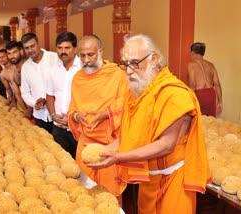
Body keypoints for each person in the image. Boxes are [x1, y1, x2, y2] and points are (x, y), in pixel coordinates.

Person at [88, 34, 211, 213]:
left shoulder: (174, 94)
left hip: (173, 180)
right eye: (125, 64)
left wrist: (118, 157)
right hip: (148, 178)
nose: (129, 71)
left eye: (135, 63)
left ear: (153, 59)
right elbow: (131, 135)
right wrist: (108, 150)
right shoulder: (138, 92)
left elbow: (166, 145)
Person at [67, 34, 129, 196]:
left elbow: (127, 103)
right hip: (86, 141)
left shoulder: (116, 74)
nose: (86, 59)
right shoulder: (77, 79)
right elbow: (72, 108)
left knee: (109, 194)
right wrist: (75, 117)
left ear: (100, 51)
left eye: (91, 54)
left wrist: (106, 113)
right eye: (82, 55)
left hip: (110, 141)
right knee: (84, 190)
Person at [46, 32, 81, 159]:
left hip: (78, 128)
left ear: (75, 49)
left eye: (67, 48)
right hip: (58, 127)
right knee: (62, 162)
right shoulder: (53, 69)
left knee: (81, 164)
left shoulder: (83, 69)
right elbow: (50, 95)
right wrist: (53, 115)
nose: (63, 52)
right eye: (60, 48)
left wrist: (73, 119)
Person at [21, 32, 58, 133]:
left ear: (38, 43)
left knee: (60, 146)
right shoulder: (25, 67)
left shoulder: (55, 58)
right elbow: (25, 92)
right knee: (43, 145)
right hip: (39, 116)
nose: (30, 50)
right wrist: (34, 103)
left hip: (58, 114)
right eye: (26, 48)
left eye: (32, 46)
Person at [188, 42, 223, 117]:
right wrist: (220, 102)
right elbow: (217, 84)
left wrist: (190, 101)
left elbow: (192, 84)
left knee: (198, 120)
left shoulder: (191, 65)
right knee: (210, 119)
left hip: (199, 94)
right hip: (211, 94)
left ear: (192, 52)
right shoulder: (211, 65)